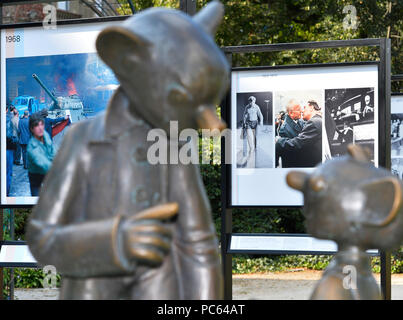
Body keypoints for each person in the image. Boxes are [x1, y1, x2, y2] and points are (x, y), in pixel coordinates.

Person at [276, 100, 322, 168]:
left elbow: (300, 141)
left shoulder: (310, 122)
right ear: (291, 113)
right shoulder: (284, 129)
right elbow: (289, 153)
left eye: (303, 108)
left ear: (312, 108)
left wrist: (278, 141)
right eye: (299, 109)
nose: (302, 111)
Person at [27, 115, 56, 196]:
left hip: (47, 173)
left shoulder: (45, 136)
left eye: (41, 124)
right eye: (36, 125)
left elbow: (52, 151)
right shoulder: (31, 148)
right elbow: (43, 163)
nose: (40, 128)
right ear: (31, 129)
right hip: (35, 175)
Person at [6, 106, 17, 195]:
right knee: (8, 171)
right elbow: (9, 135)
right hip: (8, 147)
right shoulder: (10, 119)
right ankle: (6, 191)